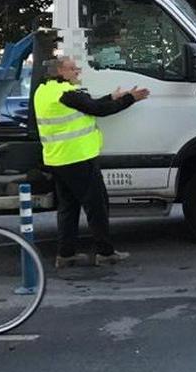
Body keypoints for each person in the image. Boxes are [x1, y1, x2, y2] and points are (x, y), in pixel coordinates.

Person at [34, 56, 147, 268]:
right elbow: (99, 110)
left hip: (57, 159)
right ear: (59, 71)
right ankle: (105, 253)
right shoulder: (65, 93)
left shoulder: (44, 91)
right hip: (78, 158)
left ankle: (66, 255)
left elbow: (89, 105)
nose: (77, 71)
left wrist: (112, 96)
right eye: (72, 68)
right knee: (97, 205)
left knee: (68, 208)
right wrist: (130, 98)